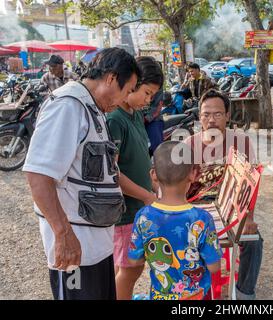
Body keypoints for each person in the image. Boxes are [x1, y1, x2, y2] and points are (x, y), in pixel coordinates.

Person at [23, 48, 140, 300]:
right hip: (77, 250)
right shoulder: (68, 105)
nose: (125, 99)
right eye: (127, 90)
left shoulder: (92, 107)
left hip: (96, 247)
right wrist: (63, 235)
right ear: (110, 78)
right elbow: (38, 175)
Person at [184, 89, 263, 300]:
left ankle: (245, 294)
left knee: (253, 239)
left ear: (228, 115)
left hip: (230, 205)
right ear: (199, 116)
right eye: (206, 114)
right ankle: (197, 290)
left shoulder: (241, 142)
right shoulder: (188, 145)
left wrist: (248, 218)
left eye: (217, 114)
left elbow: (249, 183)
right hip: (197, 205)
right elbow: (179, 190)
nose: (211, 120)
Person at [128, 141, 222, 300]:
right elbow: (214, 267)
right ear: (193, 174)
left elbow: (134, 261)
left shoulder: (143, 216)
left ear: (153, 175)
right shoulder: (202, 219)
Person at [106, 56, 163, 300]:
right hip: (126, 210)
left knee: (125, 267)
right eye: (146, 93)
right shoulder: (115, 120)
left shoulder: (135, 114)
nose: (148, 100)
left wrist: (150, 179)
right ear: (132, 83)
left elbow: (139, 152)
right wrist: (146, 195)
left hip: (138, 206)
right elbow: (112, 172)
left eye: (152, 96)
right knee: (131, 268)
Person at [144, 88, 165, 156]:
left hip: (153, 120)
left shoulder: (157, 83)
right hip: (138, 119)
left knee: (157, 150)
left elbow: (157, 108)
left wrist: (147, 118)